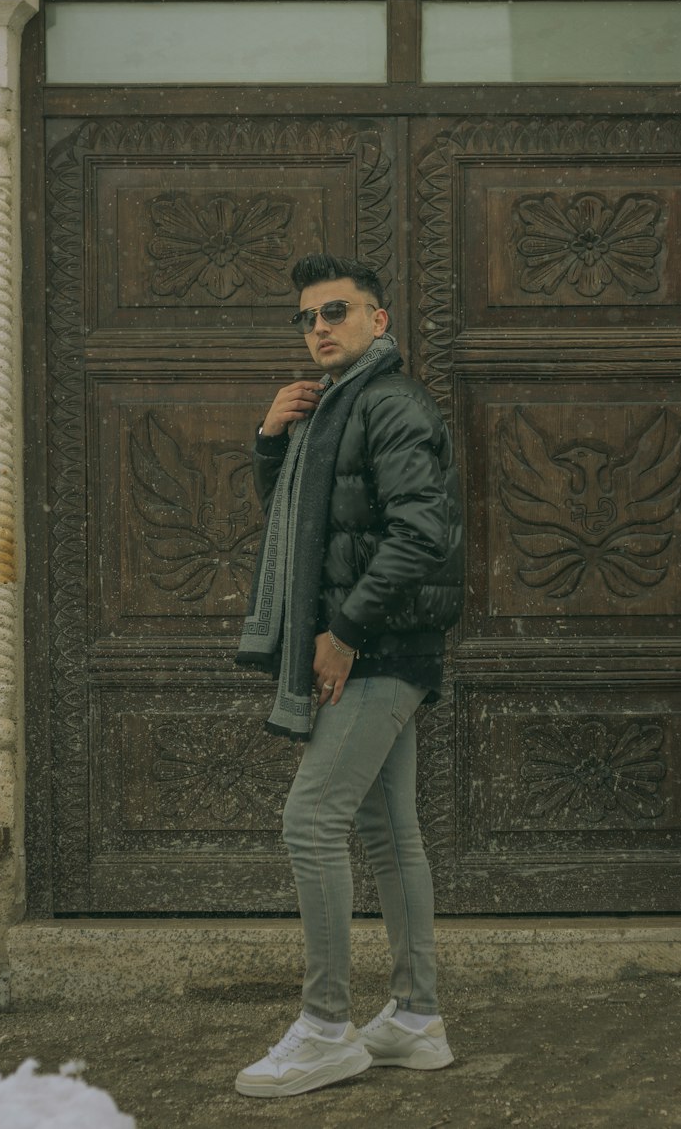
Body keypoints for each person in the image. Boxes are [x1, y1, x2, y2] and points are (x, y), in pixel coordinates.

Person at [233, 252, 464, 1099]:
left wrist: (344, 631)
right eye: (308, 317)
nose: (320, 327)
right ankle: (414, 1018)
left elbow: (421, 533)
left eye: (337, 311)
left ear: (380, 321)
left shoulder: (391, 403)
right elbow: (308, 530)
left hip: (379, 650)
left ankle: (328, 1026)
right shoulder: (335, 409)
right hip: (375, 646)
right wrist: (271, 439)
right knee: (386, 830)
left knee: (309, 822)